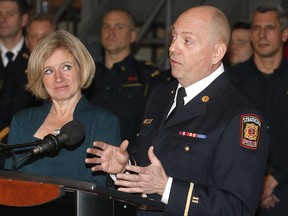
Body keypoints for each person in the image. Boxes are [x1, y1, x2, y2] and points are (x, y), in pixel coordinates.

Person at [85, 5, 269, 215]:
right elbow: (150, 164)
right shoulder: (161, 94)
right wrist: (124, 168)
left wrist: (167, 189)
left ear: (216, 52)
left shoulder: (239, 116)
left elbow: (238, 208)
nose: (172, 47)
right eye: (173, 37)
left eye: (187, 41)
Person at [4, 30, 121, 185]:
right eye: (49, 71)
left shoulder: (103, 121)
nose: (58, 78)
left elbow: (101, 189)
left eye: (66, 67)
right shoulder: (22, 121)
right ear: (40, 78)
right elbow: (10, 183)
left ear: (81, 68)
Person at [228, 4, 288, 215]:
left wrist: (276, 178)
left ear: (284, 33)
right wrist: (257, 181)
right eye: (256, 28)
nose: (262, 35)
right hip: (238, 188)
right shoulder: (231, 81)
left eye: (270, 28)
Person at [85, 8, 162, 152]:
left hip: (127, 161)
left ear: (133, 35)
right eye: (106, 26)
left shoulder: (147, 76)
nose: (111, 32)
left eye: (119, 27)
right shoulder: (87, 74)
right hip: (88, 158)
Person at [0, 0, 33, 168]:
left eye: (10, 14)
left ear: (24, 19)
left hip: (21, 151)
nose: (2, 19)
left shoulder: (35, 61)